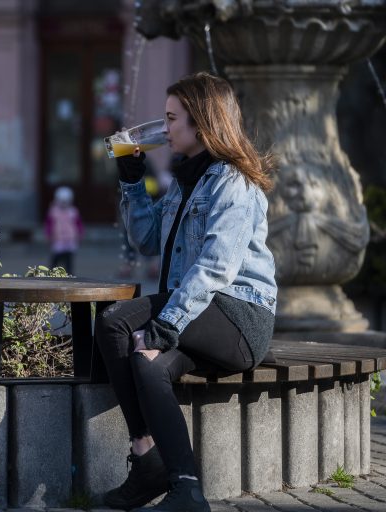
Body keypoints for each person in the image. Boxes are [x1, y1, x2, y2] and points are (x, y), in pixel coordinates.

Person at [96, 72, 277, 512]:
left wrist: (164, 326)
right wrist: (133, 181)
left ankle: (146, 455)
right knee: (147, 366)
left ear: (202, 123)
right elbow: (145, 241)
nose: (165, 128)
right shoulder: (185, 180)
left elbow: (217, 268)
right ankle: (182, 485)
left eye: (172, 118)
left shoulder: (232, 182)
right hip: (200, 316)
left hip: (239, 318)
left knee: (116, 321)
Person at [44, 185, 83, 274]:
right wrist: (48, 234)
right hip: (58, 239)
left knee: (69, 260)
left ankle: (69, 275)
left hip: (70, 240)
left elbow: (78, 223)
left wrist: (80, 234)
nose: (64, 204)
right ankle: (52, 274)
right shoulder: (53, 211)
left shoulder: (73, 211)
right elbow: (49, 224)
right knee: (55, 259)